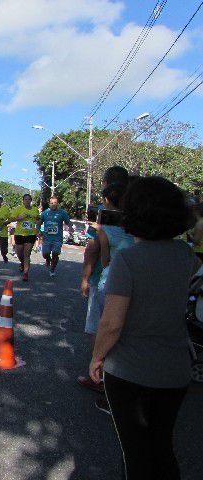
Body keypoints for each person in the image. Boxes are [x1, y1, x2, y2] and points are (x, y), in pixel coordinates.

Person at [89, 176, 198, 479]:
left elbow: (111, 324)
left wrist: (97, 358)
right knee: (162, 448)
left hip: (130, 371)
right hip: (176, 369)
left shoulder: (128, 260)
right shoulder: (186, 255)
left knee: (135, 453)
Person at [79, 166, 129, 391]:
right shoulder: (136, 215)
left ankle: (97, 374)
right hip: (133, 279)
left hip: (105, 278)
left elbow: (94, 251)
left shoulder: (103, 219)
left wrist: (85, 278)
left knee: (97, 327)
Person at [38, 196, 73, 277]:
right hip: (46, 238)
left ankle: (52, 269)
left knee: (55, 254)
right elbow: (39, 222)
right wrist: (38, 231)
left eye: (55, 203)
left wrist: (71, 227)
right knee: (45, 254)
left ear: (57, 204)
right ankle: (47, 260)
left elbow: (68, 222)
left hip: (57, 238)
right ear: (49, 204)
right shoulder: (45, 213)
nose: (53, 204)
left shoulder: (62, 213)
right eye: (51, 203)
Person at [9, 193, 40, 281]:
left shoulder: (35, 210)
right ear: (23, 201)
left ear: (31, 201)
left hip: (30, 235)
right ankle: (22, 263)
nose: (27, 201)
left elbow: (38, 220)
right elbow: (11, 219)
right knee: (19, 253)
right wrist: (20, 218)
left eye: (28, 199)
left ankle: (26, 273)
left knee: (27, 254)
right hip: (19, 234)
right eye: (25, 199)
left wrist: (37, 230)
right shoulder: (18, 209)